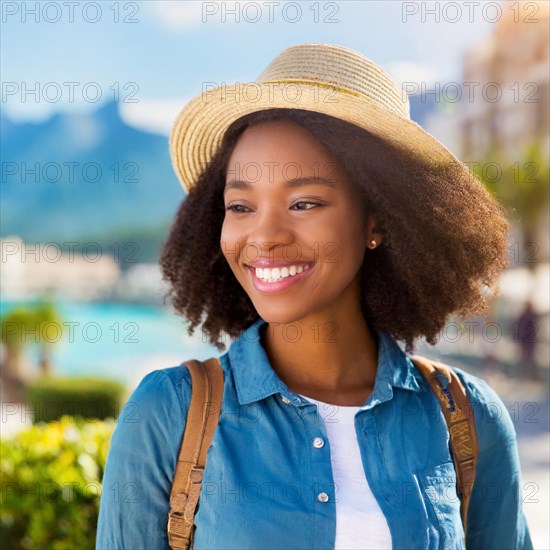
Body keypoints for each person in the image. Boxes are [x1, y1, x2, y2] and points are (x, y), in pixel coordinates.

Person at [95, 43, 533, 549]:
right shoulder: (166, 413)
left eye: (304, 202)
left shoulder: (469, 417)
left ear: (377, 220)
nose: (264, 235)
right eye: (240, 206)